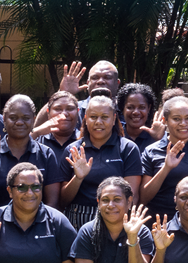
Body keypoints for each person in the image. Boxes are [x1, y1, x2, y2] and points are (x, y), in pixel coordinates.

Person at [62, 95, 145, 228]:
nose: (98, 122)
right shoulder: (73, 150)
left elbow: (132, 196)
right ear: (85, 119)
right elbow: (63, 200)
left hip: (116, 216)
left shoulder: (127, 148)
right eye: (93, 117)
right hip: (79, 218)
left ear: (113, 119)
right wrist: (78, 178)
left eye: (104, 117)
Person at [0, 96, 67, 210]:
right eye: (13, 117)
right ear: (4, 119)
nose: (20, 122)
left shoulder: (46, 154)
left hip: (37, 224)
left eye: (26, 118)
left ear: (33, 120)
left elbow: (52, 203)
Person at [141, 96, 188, 217]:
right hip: (160, 221)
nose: (183, 124)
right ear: (165, 121)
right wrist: (166, 168)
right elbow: (144, 197)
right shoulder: (151, 151)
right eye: (176, 119)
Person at [117, 83, 160, 148]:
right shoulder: (114, 136)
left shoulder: (157, 137)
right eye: (130, 107)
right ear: (122, 108)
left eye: (142, 107)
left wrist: (160, 140)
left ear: (149, 108)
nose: (136, 112)